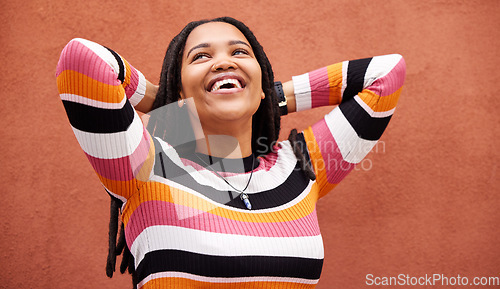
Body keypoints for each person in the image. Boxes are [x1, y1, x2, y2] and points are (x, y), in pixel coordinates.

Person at [56, 16, 405, 289]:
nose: (223, 62)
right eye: (201, 57)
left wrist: (267, 93)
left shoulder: (300, 167)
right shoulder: (145, 165)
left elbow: (385, 75)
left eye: (239, 53)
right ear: (178, 89)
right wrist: (164, 101)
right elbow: (82, 61)